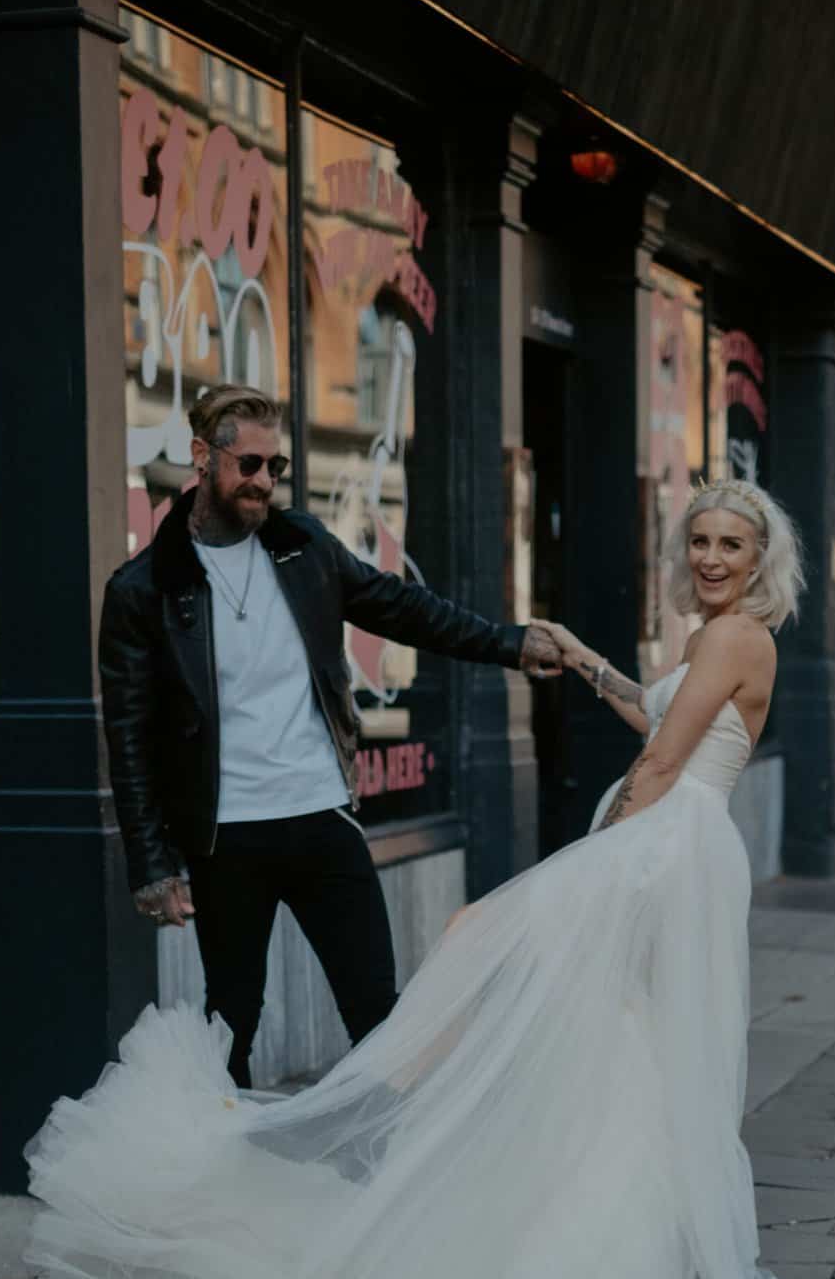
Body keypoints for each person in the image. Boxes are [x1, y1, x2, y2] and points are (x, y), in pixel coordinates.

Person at [21, 479, 835, 1279]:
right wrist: (584, 661)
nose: (713, 559)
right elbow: (657, 712)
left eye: (731, 545)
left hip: (659, 841)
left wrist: (590, 861)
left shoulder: (734, 634)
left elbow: (661, 759)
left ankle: (391, 1095)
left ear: (763, 558)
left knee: (480, 927)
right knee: (618, 1028)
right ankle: (609, 1222)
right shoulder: (717, 637)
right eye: (702, 542)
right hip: (672, 839)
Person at [101, 383, 562, 1088]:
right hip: (228, 836)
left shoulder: (304, 549)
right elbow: (127, 733)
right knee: (231, 1021)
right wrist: (151, 863)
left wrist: (509, 643)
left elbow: (405, 610)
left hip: (321, 815)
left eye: (276, 467)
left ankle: (392, 1169)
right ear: (201, 457)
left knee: (379, 1010)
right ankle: (226, 1176)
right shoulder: (144, 588)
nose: (263, 483)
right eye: (249, 465)